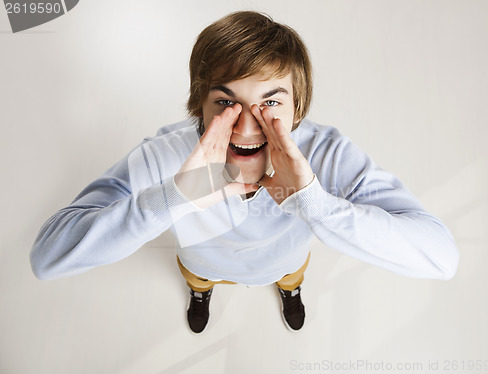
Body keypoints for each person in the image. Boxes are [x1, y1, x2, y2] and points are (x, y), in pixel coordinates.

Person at [30, 11, 459, 333]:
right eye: (225, 101)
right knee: (200, 282)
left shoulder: (325, 154)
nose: (248, 125)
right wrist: (175, 195)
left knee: (291, 279)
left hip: (285, 263)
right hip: (202, 264)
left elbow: (441, 257)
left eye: (271, 102)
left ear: (298, 107)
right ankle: (201, 296)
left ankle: (290, 292)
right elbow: (46, 258)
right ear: (199, 102)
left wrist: (315, 203)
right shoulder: (167, 154)